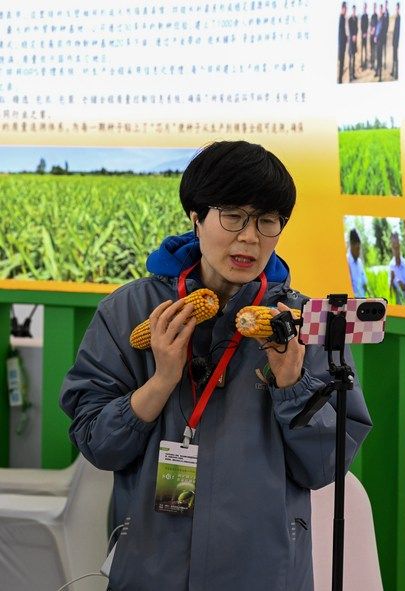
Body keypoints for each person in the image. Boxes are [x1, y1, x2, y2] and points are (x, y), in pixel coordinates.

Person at [59, 141, 372, 591]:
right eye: (233, 216)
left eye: (267, 221)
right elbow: (97, 444)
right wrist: (162, 380)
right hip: (152, 571)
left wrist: (292, 383)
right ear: (196, 217)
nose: (250, 237)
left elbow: (323, 467)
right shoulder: (127, 312)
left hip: (264, 574)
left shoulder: (303, 323)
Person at [388, 231, 405, 305]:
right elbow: (390, 295)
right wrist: (391, 281)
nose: (396, 248)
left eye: (397, 245)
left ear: (400, 245)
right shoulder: (391, 266)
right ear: (391, 247)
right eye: (393, 245)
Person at [347, 229, 368, 297]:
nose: (359, 252)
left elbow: (364, 284)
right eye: (357, 249)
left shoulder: (359, 262)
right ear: (351, 245)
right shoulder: (347, 262)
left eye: (359, 248)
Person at [378, 3, 389, 81]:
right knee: (378, 57)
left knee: (381, 57)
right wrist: (375, 37)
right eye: (380, 9)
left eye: (382, 9)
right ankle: (378, 73)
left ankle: (380, 76)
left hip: (382, 41)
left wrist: (386, 9)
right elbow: (377, 29)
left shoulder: (384, 19)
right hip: (378, 41)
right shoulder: (379, 19)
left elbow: (387, 18)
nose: (380, 11)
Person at [337, 2, 348, 83]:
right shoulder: (341, 18)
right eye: (345, 9)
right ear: (342, 8)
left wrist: (346, 37)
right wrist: (346, 38)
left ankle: (340, 78)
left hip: (342, 44)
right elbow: (341, 33)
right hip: (341, 44)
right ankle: (340, 79)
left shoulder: (343, 18)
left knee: (342, 62)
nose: (346, 10)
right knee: (341, 62)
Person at [348, 5, 359, 81]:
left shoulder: (356, 19)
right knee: (350, 58)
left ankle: (353, 74)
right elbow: (350, 29)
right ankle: (350, 76)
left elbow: (357, 28)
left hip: (355, 41)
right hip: (351, 42)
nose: (354, 11)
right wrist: (353, 36)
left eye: (355, 10)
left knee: (354, 57)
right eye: (353, 10)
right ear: (352, 10)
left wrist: (355, 35)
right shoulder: (349, 19)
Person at [391, 3, 401, 79]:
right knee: (394, 56)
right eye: (396, 8)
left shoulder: (400, 18)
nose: (396, 10)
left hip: (397, 42)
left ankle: (396, 74)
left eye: (398, 8)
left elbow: (398, 32)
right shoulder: (396, 18)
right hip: (394, 41)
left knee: (396, 57)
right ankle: (393, 72)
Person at [360, 3, 369, 69]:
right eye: (364, 7)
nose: (365, 8)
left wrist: (365, 33)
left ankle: (365, 63)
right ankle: (361, 63)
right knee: (362, 49)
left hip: (365, 35)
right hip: (362, 35)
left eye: (365, 7)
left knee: (365, 49)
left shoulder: (367, 16)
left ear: (366, 8)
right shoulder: (362, 16)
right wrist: (363, 33)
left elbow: (367, 25)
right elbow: (361, 25)